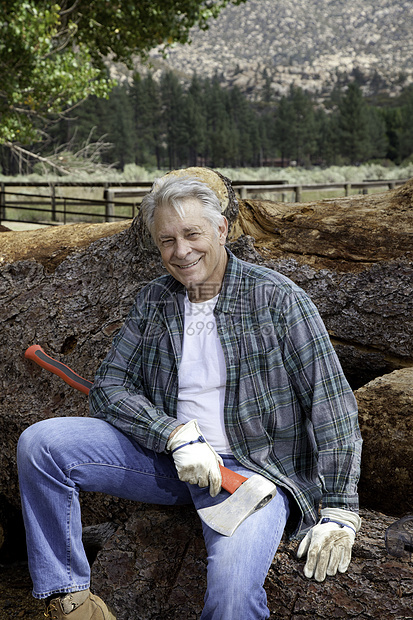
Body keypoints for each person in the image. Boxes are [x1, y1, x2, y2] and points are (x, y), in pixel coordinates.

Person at [17, 173, 362, 620]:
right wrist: (174, 434)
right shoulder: (155, 302)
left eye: (192, 234)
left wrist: (339, 510)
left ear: (221, 230)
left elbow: (332, 407)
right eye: (167, 240)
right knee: (42, 446)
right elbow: (109, 388)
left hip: (251, 476)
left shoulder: (278, 300)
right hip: (169, 462)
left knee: (234, 596)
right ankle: (72, 601)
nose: (181, 252)